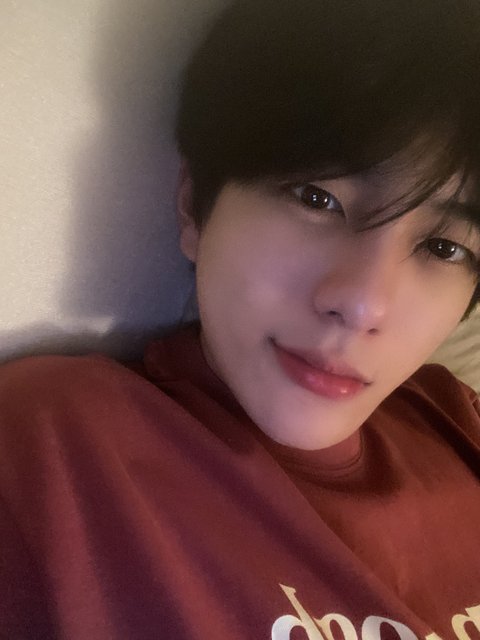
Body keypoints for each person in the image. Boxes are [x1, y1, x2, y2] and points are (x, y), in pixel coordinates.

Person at [1, 0, 480, 638]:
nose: (364, 304)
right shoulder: (53, 449)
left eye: (444, 248)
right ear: (193, 207)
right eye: (318, 198)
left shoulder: (458, 419)